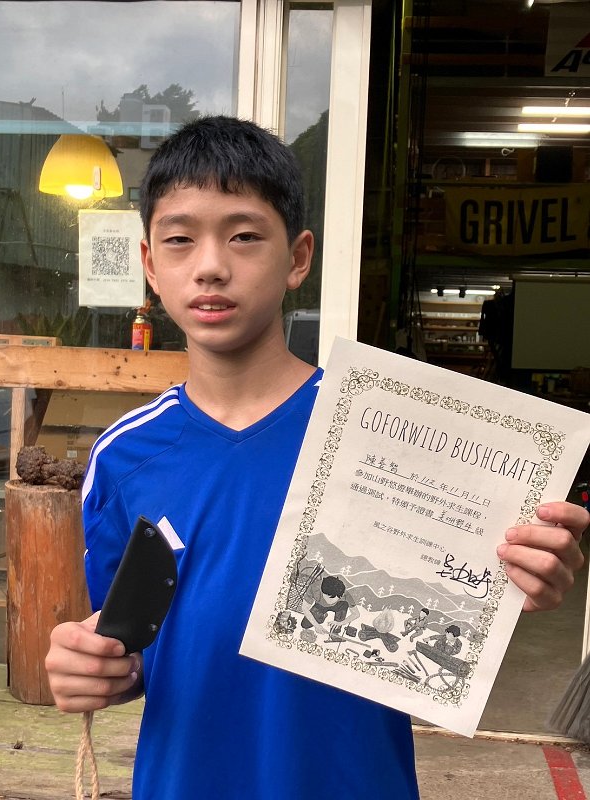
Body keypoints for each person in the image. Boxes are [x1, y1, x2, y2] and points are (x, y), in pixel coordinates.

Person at [45, 115, 589, 800]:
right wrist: (94, 669)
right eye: (180, 239)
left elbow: (448, 614)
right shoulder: (124, 457)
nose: (210, 265)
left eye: (244, 236)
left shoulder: (386, 435)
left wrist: (518, 581)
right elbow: (132, 651)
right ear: (151, 264)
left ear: (298, 258)